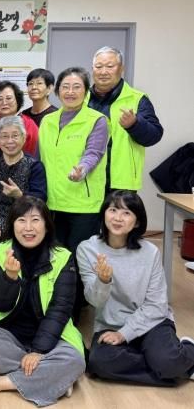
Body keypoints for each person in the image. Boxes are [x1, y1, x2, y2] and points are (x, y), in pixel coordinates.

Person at [0, 196, 85, 406]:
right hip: (8, 332)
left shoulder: (62, 256)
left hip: (52, 337)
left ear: (47, 226)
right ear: (12, 225)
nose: (28, 228)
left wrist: (39, 351)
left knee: (75, 360)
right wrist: (10, 278)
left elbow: (60, 309)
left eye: (35, 220)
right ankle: (53, 377)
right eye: (21, 220)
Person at [77, 190, 194, 386]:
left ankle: (185, 351)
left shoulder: (150, 252)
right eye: (113, 210)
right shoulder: (87, 249)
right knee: (99, 363)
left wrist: (124, 334)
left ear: (137, 222)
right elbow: (93, 300)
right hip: (110, 324)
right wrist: (103, 281)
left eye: (126, 213)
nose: (118, 218)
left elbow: (157, 305)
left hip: (152, 322)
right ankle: (174, 367)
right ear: (104, 213)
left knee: (167, 362)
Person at [38, 67, 109, 255]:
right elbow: (40, 157)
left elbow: (94, 153)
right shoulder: (47, 121)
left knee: (80, 257)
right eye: (65, 87)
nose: (70, 92)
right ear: (57, 91)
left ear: (86, 92)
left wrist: (82, 169)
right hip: (51, 202)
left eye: (77, 87)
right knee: (55, 257)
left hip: (83, 204)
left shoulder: (97, 120)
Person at [87, 46, 163, 191]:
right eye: (98, 66)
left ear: (121, 68)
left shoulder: (137, 99)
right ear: (92, 69)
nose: (103, 72)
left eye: (110, 66)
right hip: (85, 181)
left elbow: (154, 136)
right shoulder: (82, 99)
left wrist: (135, 124)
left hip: (120, 184)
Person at [0, 116, 47, 248]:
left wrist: (20, 195)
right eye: (4, 136)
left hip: (25, 229)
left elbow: (41, 199)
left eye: (15, 136)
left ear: (24, 138)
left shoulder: (34, 166)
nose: (10, 141)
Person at [0, 80, 39, 156]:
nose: (4, 102)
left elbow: (32, 154)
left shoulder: (29, 124)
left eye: (9, 98)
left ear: (17, 101)